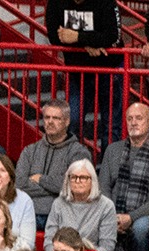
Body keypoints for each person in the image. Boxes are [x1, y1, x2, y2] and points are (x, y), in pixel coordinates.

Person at [49, 0, 122, 147]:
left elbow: (112, 36)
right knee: (72, 121)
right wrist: (87, 44)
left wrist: (78, 37)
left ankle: (110, 162)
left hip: (109, 67)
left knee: (111, 125)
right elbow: (55, 37)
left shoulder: (107, 2)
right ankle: (75, 160)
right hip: (77, 71)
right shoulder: (56, 3)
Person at [99, 102, 149, 251]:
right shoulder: (113, 150)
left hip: (146, 215)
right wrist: (113, 217)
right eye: (130, 119)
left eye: (139, 118)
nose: (133, 122)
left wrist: (131, 217)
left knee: (141, 228)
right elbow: (103, 188)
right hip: (114, 213)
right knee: (95, 221)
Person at [16, 101, 93, 228]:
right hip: (28, 213)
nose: (50, 122)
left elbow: (72, 186)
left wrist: (40, 179)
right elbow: (19, 184)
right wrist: (54, 189)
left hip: (62, 217)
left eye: (56, 118)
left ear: (67, 122)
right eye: (47, 117)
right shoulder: (29, 151)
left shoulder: (79, 153)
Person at [45, 158, 118, 251]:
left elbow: (107, 246)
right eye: (74, 177)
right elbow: (49, 241)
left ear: (92, 181)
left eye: (83, 177)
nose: (78, 181)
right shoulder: (58, 204)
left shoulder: (106, 206)